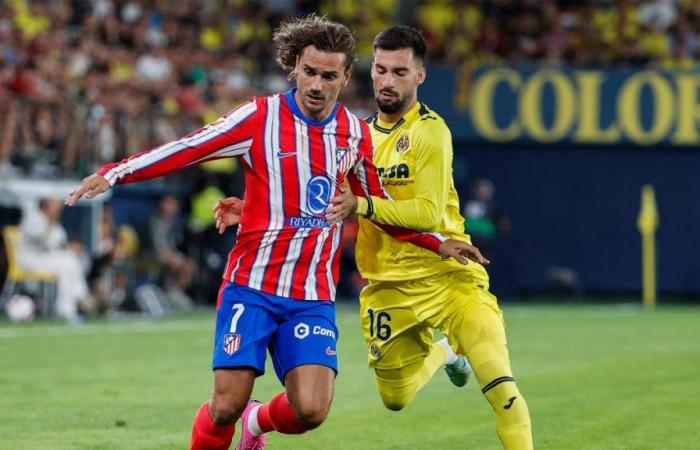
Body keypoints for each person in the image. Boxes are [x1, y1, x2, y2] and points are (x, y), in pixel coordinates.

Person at [66, 15, 476, 450]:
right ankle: (233, 421)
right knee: (225, 405)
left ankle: (255, 425)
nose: (317, 85)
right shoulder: (258, 118)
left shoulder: (355, 134)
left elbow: (377, 208)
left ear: (344, 78)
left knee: (312, 409)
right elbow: (187, 148)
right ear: (294, 67)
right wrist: (116, 173)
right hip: (252, 287)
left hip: (311, 296)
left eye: (329, 76)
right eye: (309, 72)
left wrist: (436, 242)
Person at [350, 26, 533, 449]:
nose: (388, 81)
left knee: (500, 385)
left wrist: (362, 205)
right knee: (394, 400)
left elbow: (427, 213)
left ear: (420, 76)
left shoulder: (431, 132)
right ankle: (445, 353)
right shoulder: (354, 136)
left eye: (400, 71)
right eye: (381, 70)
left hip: (450, 276)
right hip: (388, 286)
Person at [18, 197, 93, 322]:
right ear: (46, 205)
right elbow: (42, 241)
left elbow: (58, 244)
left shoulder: (54, 222)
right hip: (30, 259)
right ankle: (74, 303)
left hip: (45, 258)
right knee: (65, 265)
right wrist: (51, 222)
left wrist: (70, 247)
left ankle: (75, 303)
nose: (58, 209)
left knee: (71, 260)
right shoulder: (33, 217)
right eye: (55, 205)